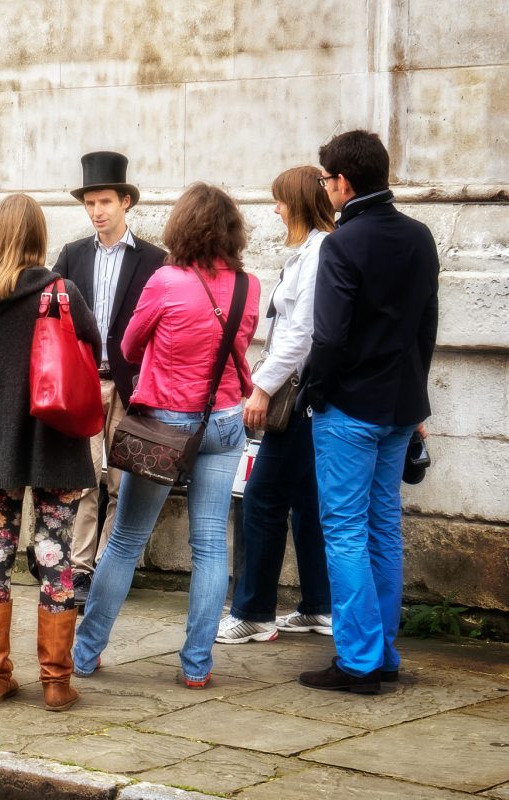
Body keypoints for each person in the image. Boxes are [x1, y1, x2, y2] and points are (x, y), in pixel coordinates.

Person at [73, 183, 260, 689]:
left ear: (182, 227)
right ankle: (197, 665)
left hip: (164, 424)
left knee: (127, 540)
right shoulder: (249, 285)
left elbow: (129, 346)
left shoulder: (166, 280)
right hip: (223, 421)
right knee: (209, 547)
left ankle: (85, 654)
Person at [296, 131, 438, 694]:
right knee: (381, 528)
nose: (326, 188)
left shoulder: (343, 243)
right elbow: (426, 327)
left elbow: (329, 338)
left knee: (347, 531)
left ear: (344, 182)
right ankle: (381, 654)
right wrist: (416, 396)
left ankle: (358, 662)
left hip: (351, 408)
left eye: (327, 179)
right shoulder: (419, 236)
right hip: (400, 404)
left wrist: (313, 391)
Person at [0, 194, 101, 712]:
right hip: (54, 435)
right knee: (56, 556)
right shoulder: (60, 289)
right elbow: (92, 347)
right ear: (39, 234)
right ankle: (57, 683)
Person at [216, 167, 336, 645]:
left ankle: (254, 611)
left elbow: (302, 333)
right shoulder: (314, 251)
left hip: (296, 393)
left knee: (263, 500)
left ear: (301, 203)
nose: (276, 209)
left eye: (281, 200)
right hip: (305, 394)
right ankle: (318, 606)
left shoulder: (320, 252)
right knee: (306, 501)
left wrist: (262, 388)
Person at [54, 152, 166, 608]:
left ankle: (110, 565)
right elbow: (55, 319)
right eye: (89, 203)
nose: (96, 211)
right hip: (83, 381)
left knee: (124, 480)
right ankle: (79, 568)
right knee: (82, 477)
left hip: (130, 385)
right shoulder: (72, 254)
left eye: (104, 201)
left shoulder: (154, 259)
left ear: (125, 202)